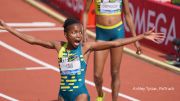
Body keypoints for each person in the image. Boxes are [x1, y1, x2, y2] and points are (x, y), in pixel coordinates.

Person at [0, 18, 164, 101]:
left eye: (80, 32)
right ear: (66, 34)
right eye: (74, 32)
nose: (78, 35)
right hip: (63, 95)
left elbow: (116, 43)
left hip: (80, 95)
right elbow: (32, 40)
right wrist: (8, 28)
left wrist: (141, 36)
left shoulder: (86, 48)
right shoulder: (59, 46)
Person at [83, 0, 142, 101]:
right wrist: (84, 31)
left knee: (115, 72)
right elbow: (85, 12)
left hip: (117, 32)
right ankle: (101, 94)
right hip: (101, 34)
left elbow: (128, 14)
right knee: (97, 75)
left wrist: (135, 39)